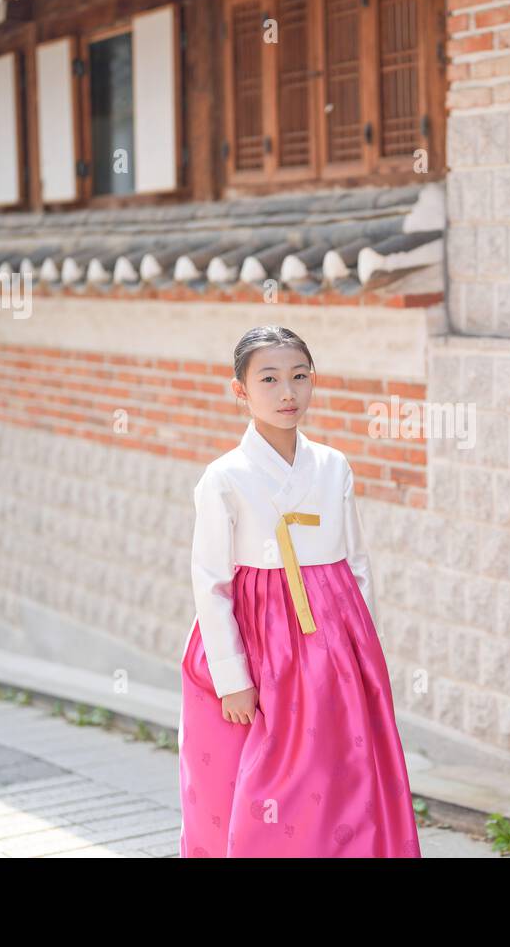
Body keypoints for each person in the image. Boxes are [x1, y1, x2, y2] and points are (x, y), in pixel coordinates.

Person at [178, 324, 421, 857]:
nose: (288, 393)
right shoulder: (224, 478)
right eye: (269, 379)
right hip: (261, 639)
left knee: (340, 771)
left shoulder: (333, 466)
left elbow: (356, 564)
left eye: (299, 377)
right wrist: (232, 678)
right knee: (260, 781)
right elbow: (211, 583)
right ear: (240, 390)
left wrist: (363, 654)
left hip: (331, 639)